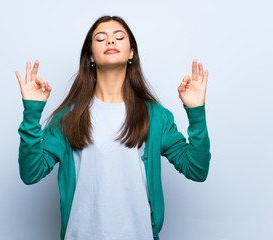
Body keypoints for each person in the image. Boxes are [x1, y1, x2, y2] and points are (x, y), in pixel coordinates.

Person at [15, 15, 211, 240]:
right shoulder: (69, 117)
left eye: (119, 37)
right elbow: (30, 173)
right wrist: (32, 112)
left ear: (131, 53)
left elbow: (197, 170)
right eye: (100, 39)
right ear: (90, 56)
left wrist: (196, 112)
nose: (110, 42)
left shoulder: (155, 116)